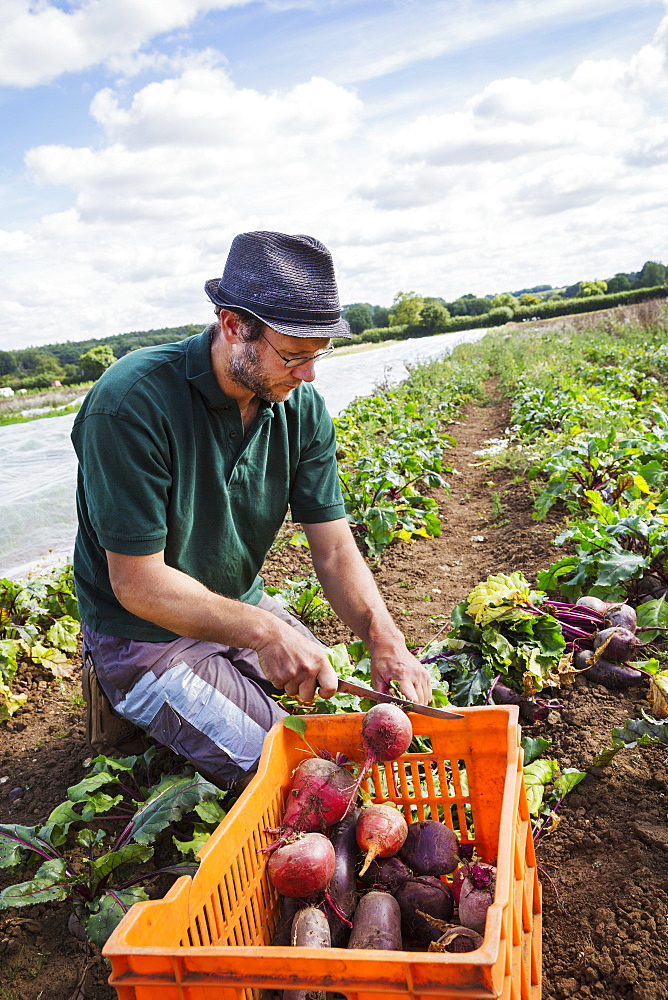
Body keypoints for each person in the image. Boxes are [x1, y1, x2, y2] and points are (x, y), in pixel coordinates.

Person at [72, 231, 432, 788]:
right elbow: (137, 583)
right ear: (234, 325)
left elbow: (334, 549)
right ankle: (135, 694)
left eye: (319, 355)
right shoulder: (130, 403)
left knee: (334, 722)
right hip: (143, 636)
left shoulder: (299, 406)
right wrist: (266, 632)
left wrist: (385, 638)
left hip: (234, 605)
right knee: (301, 774)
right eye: (294, 355)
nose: (308, 374)